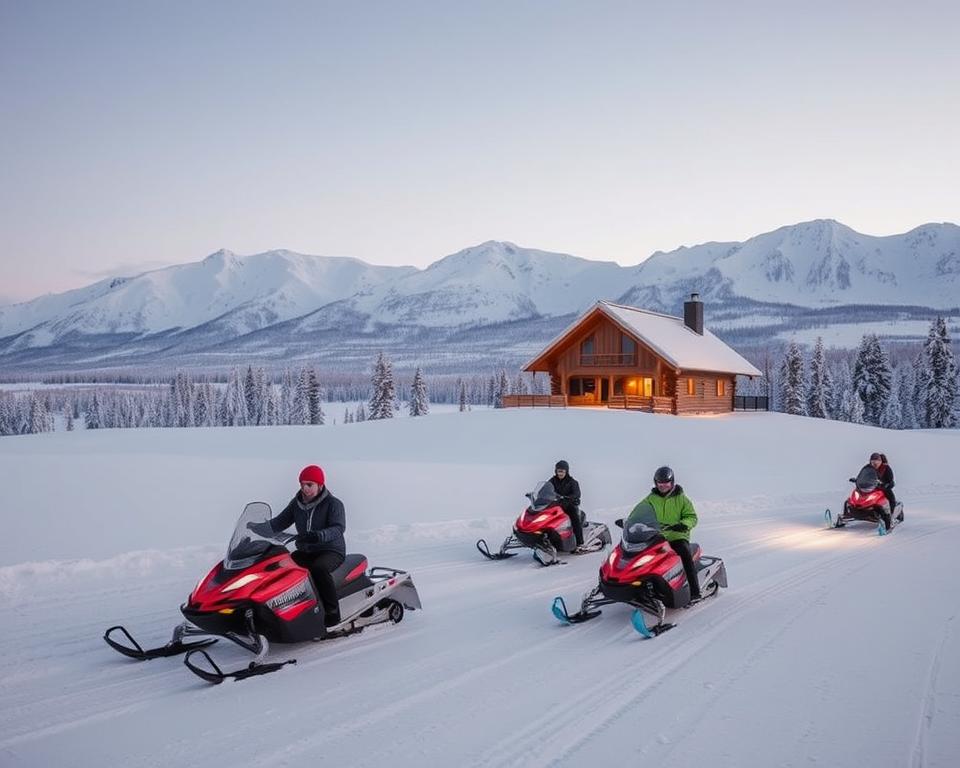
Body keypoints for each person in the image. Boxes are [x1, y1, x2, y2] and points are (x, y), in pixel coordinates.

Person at [260, 465, 346, 627]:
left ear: (320, 485)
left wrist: (319, 535)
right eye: (302, 484)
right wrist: (259, 529)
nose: (305, 488)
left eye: (309, 485)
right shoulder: (297, 503)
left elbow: (338, 528)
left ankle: (332, 613)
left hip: (331, 550)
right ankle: (283, 608)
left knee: (318, 568)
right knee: (281, 565)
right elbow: (280, 522)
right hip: (307, 550)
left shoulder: (333, 504)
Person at [630, 466, 701, 600]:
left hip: (677, 536)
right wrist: (630, 521)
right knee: (641, 557)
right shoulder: (651, 499)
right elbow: (638, 511)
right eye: (660, 483)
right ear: (656, 483)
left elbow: (691, 516)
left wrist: (684, 525)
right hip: (656, 536)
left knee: (685, 554)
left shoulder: (682, 499)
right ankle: (640, 587)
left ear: (672, 482)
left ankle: (694, 591)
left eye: (666, 483)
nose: (663, 486)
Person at [548, 459, 583, 547]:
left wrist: (568, 497)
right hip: (556, 505)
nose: (560, 473)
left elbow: (577, 493)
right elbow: (545, 489)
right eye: (559, 471)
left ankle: (580, 542)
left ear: (566, 471)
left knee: (574, 518)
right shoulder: (552, 481)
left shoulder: (572, 482)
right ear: (556, 471)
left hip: (568, 505)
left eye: (562, 471)